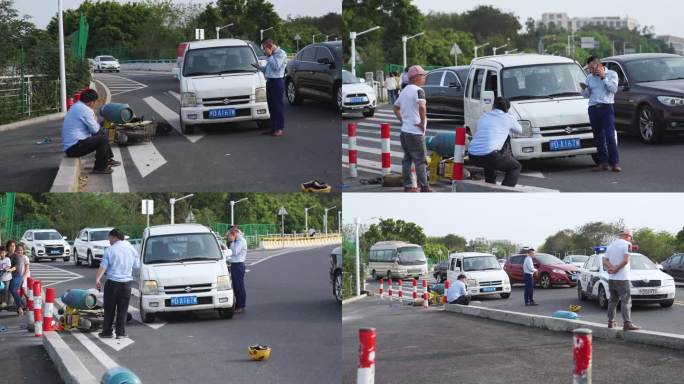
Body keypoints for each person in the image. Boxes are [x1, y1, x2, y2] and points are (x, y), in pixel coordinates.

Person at [61, 88, 120, 174]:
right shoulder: (85, 109)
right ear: (91, 102)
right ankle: (100, 167)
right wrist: (96, 121)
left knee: (102, 134)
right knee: (103, 138)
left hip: (72, 146)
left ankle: (108, 159)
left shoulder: (77, 106)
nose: (94, 104)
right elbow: (95, 129)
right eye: (94, 102)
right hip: (74, 148)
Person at [468, 97, 523, 187]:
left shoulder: (484, 116)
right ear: (507, 109)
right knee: (515, 167)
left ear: (493, 106)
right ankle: (504, 192)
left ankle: (490, 187)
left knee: (489, 160)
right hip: (490, 156)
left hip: (473, 155)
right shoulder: (508, 117)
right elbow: (519, 130)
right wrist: (511, 118)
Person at [393, 65, 431, 193]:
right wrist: (421, 122)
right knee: (420, 161)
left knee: (407, 160)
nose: (424, 78)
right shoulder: (419, 91)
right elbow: (422, 107)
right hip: (415, 132)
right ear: (416, 77)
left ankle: (408, 186)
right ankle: (424, 187)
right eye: (423, 75)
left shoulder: (404, 91)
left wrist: (402, 120)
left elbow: (395, 107)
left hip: (405, 132)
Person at [95, 228, 139, 339]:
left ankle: (107, 332)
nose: (109, 241)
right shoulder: (132, 249)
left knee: (109, 309)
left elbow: (103, 266)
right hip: (126, 284)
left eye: (109, 238)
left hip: (112, 283)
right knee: (123, 309)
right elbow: (136, 266)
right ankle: (120, 333)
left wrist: (97, 279)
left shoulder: (110, 250)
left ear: (114, 237)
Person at [581, 56, 621, 172]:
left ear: (599, 65)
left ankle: (614, 163)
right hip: (593, 108)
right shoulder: (589, 78)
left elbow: (613, 89)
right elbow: (586, 95)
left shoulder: (612, 74)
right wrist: (585, 89)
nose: (591, 71)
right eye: (589, 69)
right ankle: (603, 162)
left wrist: (603, 77)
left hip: (606, 107)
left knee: (609, 136)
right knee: (598, 136)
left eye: (592, 68)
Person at [603, 228, 640, 331]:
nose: (631, 240)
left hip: (612, 279)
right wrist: (616, 269)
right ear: (628, 235)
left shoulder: (611, 245)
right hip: (623, 278)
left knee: (612, 301)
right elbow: (626, 260)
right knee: (626, 301)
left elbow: (605, 259)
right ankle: (627, 323)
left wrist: (611, 268)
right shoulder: (627, 245)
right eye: (631, 237)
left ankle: (611, 322)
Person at [254, 38, 288, 137]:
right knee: (271, 106)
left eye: (264, 48)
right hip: (269, 81)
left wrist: (269, 55)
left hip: (277, 82)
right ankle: (272, 127)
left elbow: (276, 67)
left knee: (278, 106)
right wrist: (260, 68)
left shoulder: (281, 53)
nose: (264, 51)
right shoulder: (271, 55)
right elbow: (269, 70)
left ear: (269, 45)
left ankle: (279, 128)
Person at [227, 228, 247, 313]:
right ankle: (238, 304)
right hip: (235, 265)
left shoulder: (241, 241)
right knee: (235, 286)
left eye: (229, 236)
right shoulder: (236, 240)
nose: (228, 238)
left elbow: (234, 252)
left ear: (234, 234)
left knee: (239, 287)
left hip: (239, 265)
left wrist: (231, 241)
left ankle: (241, 306)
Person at [6, 240, 24, 315]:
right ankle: (23, 304)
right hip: (8, 277)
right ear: (8, 247)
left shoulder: (16, 256)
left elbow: (16, 266)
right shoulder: (5, 256)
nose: (12, 247)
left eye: (13, 246)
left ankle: (20, 306)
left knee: (13, 289)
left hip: (17, 276)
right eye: (11, 246)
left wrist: (10, 269)